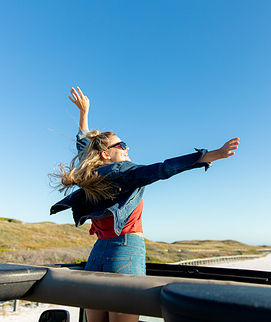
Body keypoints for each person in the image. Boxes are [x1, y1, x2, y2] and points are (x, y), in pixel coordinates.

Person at [50, 87, 239, 322]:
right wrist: (211, 155)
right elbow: (162, 169)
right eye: (121, 145)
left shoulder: (92, 173)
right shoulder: (124, 171)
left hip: (97, 255)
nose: (126, 148)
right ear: (106, 154)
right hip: (125, 251)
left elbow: (83, 148)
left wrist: (84, 114)